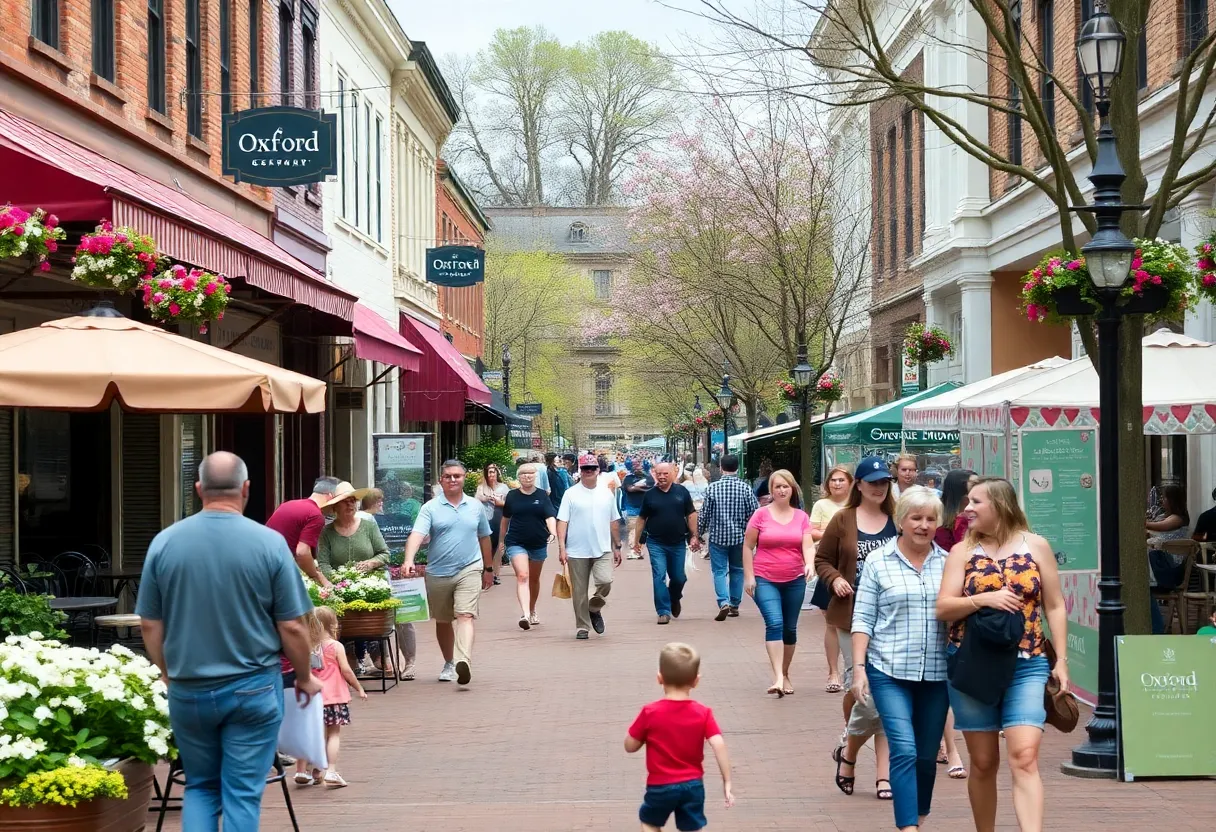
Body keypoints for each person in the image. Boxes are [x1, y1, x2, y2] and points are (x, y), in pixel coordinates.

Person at [136, 451, 321, 830]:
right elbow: (293, 626)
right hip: (252, 687)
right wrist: (304, 676)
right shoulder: (269, 544)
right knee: (241, 792)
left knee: (201, 787)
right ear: (246, 488)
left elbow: (150, 624)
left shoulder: (165, 543)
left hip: (190, 688)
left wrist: (167, 671)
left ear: (198, 488)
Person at [936, 477, 1069, 832]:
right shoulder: (962, 552)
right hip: (973, 666)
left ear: (1000, 505)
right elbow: (944, 607)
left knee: (1024, 755)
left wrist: (1061, 661)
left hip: (1027, 663)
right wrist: (984, 598)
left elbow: (1055, 605)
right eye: (967, 501)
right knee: (982, 762)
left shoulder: (1036, 546)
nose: (967, 508)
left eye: (976, 502)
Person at [851, 487, 951, 831]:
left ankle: (917, 816)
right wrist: (859, 668)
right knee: (905, 749)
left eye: (931, 519)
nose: (924, 525)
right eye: (916, 518)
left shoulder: (949, 563)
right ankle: (908, 826)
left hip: (937, 674)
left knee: (926, 756)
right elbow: (863, 618)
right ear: (901, 521)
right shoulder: (878, 561)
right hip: (888, 670)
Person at [816, 456, 897, 800]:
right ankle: (850, 751)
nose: (879, 487)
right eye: (873, 481)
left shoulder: (898, 520)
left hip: (891, 618)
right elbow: (822, 559)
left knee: (883, 694)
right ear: (859, 485)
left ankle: (880, 773)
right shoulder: (843, 519)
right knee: (865, 689)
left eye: (884, 482)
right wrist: (835, 579)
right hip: (851, 617)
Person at [625, 643, 734, 832]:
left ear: (660, 678)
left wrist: (639, 737)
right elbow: (718, 744)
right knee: (692, 827)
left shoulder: (650, 712)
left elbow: (630, 745)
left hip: (660, 785)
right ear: (696, 681)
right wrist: (727, 781)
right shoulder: (703, 713)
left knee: (649, 821)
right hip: (693, 785)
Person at [402, 460, 493, 687]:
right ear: (441, 480)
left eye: (457, 476)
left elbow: (484, 537)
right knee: (443, 620)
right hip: (438, 572)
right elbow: (417, 534)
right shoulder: (430, 508)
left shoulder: (475, 506)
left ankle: (463, 660)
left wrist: (488, 568)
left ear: (464, 478)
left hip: (470, 567)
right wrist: (409, 559)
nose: (453, 480)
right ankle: (449, 662)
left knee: (465, 615)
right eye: (448, 476)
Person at [743, 469, 814, 698]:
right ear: (771, 490)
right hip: (765, 577)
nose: (782, 490)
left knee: (789, 628)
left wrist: (809, 564)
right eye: (777, 486)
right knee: (774, 622)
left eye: (785, 486)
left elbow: (808, 545)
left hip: (795, 579)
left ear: (792, 489)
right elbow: (748, 546)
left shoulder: (801, 517)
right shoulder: (760, 515)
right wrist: (749, 576)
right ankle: (778, 678)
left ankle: (785, 672)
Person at [931, 468, 977, 780]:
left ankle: (945, 742)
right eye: (971, 490)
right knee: (945, 680)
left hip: (968, 607)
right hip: (953, 607)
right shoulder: (951, 527)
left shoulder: (968, 522)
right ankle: (950, 747)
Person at [294, 607, 367, 789]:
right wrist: (359, 688)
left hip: (310, 698)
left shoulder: (306, 646)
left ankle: (308, 770)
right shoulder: (335, 646)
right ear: (332, 624)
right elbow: (346, 670)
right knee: (333, 734)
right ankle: (331, 770)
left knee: (310, 734)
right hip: (333, 698)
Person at [556, 454, 623, 640]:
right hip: (576, 549)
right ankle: (582, 626)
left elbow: (613, 520)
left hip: (603, 547)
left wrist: (617, 545)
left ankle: (594, 608)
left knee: (605, 581)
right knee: (579, 591)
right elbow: (562, 521)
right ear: (580, 470)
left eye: (592, 468)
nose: (588, 471)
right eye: (585, 468)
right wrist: (562, 547)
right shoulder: (571, 493)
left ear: (598, 470)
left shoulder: (606, 493)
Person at [636, 462, 701, 625]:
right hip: (655, 542)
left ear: (673, 473)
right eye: (659, 473)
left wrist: (694, 536)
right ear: (654, 474)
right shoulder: (650, 495)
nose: (662, 477)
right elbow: (641, 518)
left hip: (678, 542)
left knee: (679, 577)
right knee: (659, 576)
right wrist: (636, 541)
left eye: (665, 473)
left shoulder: (681, 492)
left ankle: (674, 597)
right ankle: (663, 611)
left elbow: (691, 514)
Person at [698, 454, 759, 621]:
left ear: (721, 468)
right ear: (737, 468)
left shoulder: (712, 488)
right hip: (740, 537)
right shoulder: (745, 488)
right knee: (737, 570)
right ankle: (734, 604)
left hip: (717, 537)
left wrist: (699, 533)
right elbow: (755, 513)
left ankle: (723, 601)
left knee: (719, 571)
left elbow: (704, 514)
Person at [810, 464, 854, 693]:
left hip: (852, 568)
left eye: (841, 480)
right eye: (833, 480)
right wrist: (833, 532)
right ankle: (833, 672)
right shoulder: (821, 505)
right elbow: (812, 532)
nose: (837, 484)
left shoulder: (856, 506)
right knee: (832, 623)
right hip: (830, 567)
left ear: (851, 483)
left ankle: (853, 668)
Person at [500, 462, 557, 629]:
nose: (527, 476)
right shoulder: (512, 496)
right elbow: (505, 519)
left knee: (533, 579)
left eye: (530, 473)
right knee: (522, 576)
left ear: (535, 476)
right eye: (523, 474)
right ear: (519, 477)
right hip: (516, 541)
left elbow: (550, 516)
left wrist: (552, 532)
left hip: (538, 542)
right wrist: (501, 541)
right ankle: (525, 614)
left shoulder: (542, 495)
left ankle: (532, 609)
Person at [266, 475, 339, 587]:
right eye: (337, 501)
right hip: (274, 571)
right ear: (330, 496)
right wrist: (315, 576)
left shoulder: (288, 504)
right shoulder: (315, 515)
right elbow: (302, 553)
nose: (336, 507)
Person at [316, 482, 391, 578]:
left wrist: (371, 563)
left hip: (371, 582)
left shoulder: (369, 526)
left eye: (352, 501)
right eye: (344, 501)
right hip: (339, 584)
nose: (349, 504)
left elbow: (385, 554)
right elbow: (323, 563)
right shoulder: (327, 532)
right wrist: (336, 581)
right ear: (335, 506)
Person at [476, 464, 510, 585]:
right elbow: (476, 500)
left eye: (493, 472)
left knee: (497, 546)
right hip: (485, 520)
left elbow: (509, 503)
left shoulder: (503, 487)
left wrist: (500, 502)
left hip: (499, 518)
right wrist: (485, 498)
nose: (491, 475)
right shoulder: (481, 488)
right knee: (485, 545)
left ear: (497, 473)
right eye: (489, 472)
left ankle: (495, 573)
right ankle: (484, 570)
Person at [623, 458, 656, 560]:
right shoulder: (628, 478)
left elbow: (651, 487)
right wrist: (642, 488)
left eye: (639, 464)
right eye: (635, 465)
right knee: (633, 529)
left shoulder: (649, 477)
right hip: (632, 507)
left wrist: (636, 488)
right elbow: (629, 489)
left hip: (646, 507)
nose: (637, 467)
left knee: (643, 531)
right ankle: (633, 550)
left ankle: (638, 550)